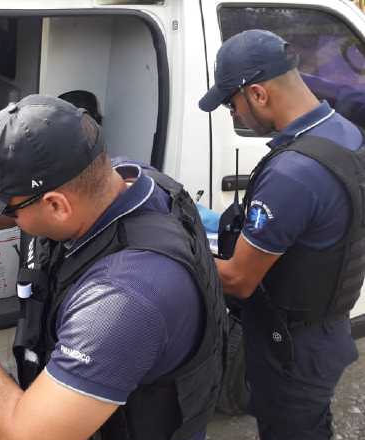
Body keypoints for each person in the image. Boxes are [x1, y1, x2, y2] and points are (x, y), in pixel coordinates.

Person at [0, 95, 227, 440]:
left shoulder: (122, 300)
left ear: (57, 206)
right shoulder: (113, 179)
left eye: (10, 211)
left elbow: (26, 434)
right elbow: (33, 198)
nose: (7, 217)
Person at [198, 29, 363, 440]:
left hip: (292, 349)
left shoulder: (294, 172)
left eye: (231, 103)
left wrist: (179, 250)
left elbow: (238, 278)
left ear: (257, 94)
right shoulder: (341, 132)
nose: (231, 114)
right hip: (323, 330)